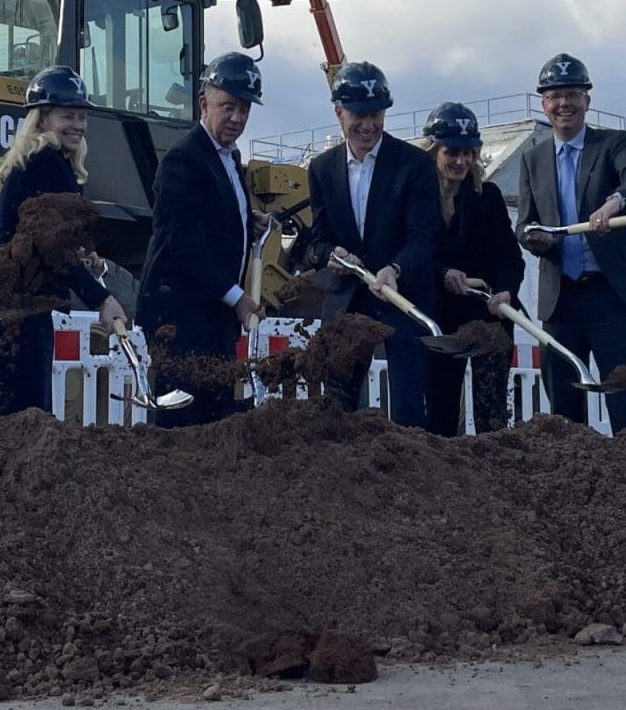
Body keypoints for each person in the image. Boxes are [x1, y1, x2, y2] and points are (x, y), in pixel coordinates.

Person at [512, 53, 626, 430]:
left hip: (611, 297)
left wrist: (614, 203)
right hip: (561, 300)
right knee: (563, 408)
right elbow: (525, 222)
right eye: (555, 95)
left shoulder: (612, 144)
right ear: (544, 103)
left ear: (587, 102)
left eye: (573, 94)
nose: (564, 104)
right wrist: (534, 239)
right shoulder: (532, 158)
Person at [0, 65, 127, 416]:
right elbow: (53, 248)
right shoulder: (47, 163)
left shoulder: (38, 162)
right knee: (25, 418)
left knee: (8, 415)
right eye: (67, 115)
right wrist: (101, 298)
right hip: (20, 310)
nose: (77, 124)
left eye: (82, 116)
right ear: (42, 119)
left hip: (11, 308)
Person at [296, 61, 438, 427]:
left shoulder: (414, 165)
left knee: (408, 405)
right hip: (347, 301)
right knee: (338, 405)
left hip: (401, 299)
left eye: (376, 115)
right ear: (339, 112)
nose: (369, 125)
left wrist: (396, 269)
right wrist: (330, 255)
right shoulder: (322, 168)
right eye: (359, 115)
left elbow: (424, 238)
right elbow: (318, 241)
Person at [136, 53, 265, 426]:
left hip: (212, 317)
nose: (237, 118)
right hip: (180, 317)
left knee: (215, 421)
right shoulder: (184, 160)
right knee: (183, 425)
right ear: (204, 104)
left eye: (244, 109)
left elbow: (210, 218)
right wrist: (238, 297)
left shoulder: (229, 157)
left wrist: (244, 221)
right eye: (228, 107)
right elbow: (183, 244)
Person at [418, 102, 523, 436]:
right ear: (434, 151)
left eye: (468, 153)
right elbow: (413, 252)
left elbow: (510, 256)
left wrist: (507, 289)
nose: (460, 161)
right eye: (452, 152)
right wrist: (442, 273)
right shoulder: (417, 200)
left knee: (492, 415)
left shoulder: (486, 197)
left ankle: (494, 475)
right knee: (440, 411)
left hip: (487, 315)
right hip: (439, 319)